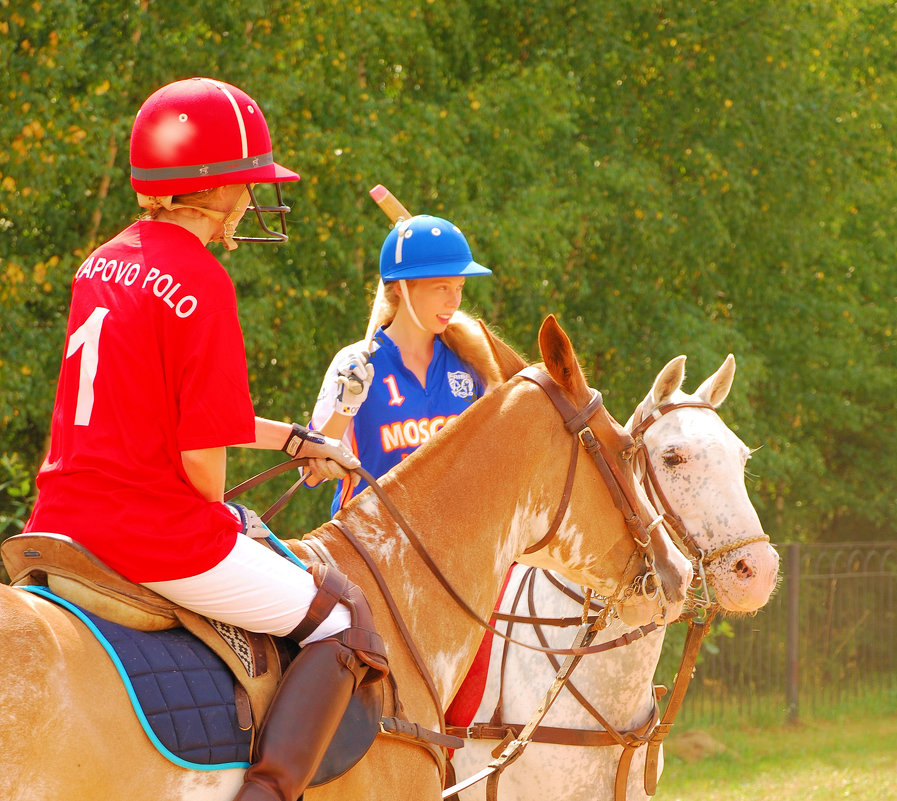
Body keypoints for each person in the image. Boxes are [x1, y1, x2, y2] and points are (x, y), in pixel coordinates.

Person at [23, 77, 387, 801]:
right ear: (212, 186)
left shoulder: (101, 262)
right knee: (345, 622)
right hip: (151, 537)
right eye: (248, 183)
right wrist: (228, 516)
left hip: (58, 524)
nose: (253, 199)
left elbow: (160, 408)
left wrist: (293, 439)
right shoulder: (200, 277)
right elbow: (203, 471)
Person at [306, 214, 501, 510]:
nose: (454, 301)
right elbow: (310, 473)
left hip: (457, 542)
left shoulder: (471, 364)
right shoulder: (355, 364)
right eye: (442, 287)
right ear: (401, 287)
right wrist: (345, 407)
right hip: (371, 545)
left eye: (459, 287)